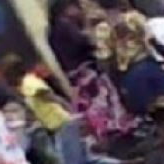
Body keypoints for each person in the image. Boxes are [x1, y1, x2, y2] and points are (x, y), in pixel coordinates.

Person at [4, 58, 144, 164]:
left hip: (61, 125)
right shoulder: (29, 83)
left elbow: (46, 94)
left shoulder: (27, 83)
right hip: (61, 124)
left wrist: (66, 108)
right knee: (87, 161)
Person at [93, 0, 164, 164]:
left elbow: (108, 65)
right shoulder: (133, 18)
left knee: (159, 121)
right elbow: (156, 45)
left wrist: (119, 91)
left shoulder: (102, 31)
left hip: (130, 79)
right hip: (149, 69)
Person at [48, 0, 136, 142]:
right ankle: (119, 130)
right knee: (106, 98)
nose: (78, 10)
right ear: (66, 9)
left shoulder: (52, 32)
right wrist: (90, 34)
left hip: (75, 74)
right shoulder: (65, 25)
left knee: (94, 105)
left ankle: (110, 134)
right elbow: (82, 42)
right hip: (86, 70)